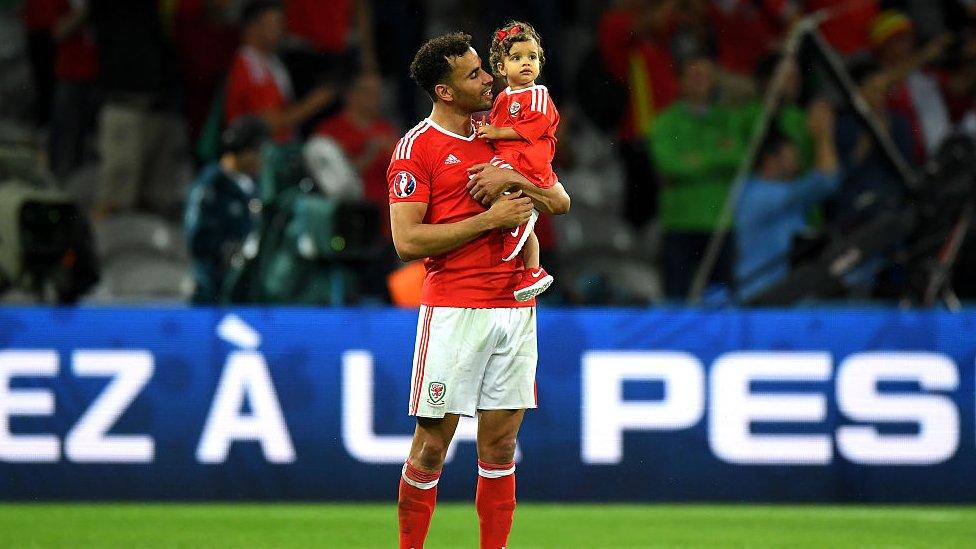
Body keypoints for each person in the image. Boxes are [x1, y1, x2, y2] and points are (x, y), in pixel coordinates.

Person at [388, 32, 570, 549]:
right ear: (444, 92)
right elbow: (406, 241)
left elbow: (559, 199)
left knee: (501, 446)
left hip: (516, 307)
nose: (490, 77)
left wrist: (520, 184)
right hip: (454, 310)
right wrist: (489, 218)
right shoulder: (416, 149)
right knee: (430, 448)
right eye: (474, 74)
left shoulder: (503, 131)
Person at [476, 20, 558, 302]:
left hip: (530, 161)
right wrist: (486, 133)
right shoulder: (502, 98)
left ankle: (514, 225)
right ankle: (532, 270)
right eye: (517, 57)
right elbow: (496, 128)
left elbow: (532, 129)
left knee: (492, 175)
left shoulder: (538, 95)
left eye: (532, 57)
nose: (526, 63)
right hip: (512, 158)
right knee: (488, 178)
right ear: (501, 68)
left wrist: (495, 132)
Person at [651, 54, 742, 298]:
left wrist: (693, 161)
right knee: (677, 298)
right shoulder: (665, 122)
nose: (700, 82)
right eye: (694, 75)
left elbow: (738, 158)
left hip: (719, 222)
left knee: (722, 300)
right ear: (680, 81)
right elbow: (667, 164)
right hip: (680, 222)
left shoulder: (728, 120)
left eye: (706, 76)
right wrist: (715, 158)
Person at [735, 100, 841, 300]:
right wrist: (822, 135)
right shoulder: (761, 194)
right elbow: (826, 181)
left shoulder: (759, 189)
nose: (797, 162)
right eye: (791, 156)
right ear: (770, 160)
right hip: (762, 294)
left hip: (779, 292)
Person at [184, 115, 270, 304]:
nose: (262, 159)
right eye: (258, 151)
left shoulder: (256, 186)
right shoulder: (211, 186)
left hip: (245, 287)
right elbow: (197, 239)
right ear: (245, 151)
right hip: (213, 289)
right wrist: (229, 250)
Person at [224, 0, 335, 143]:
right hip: (258, 155)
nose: (280, 30)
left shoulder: (272, 61)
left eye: (280, 24)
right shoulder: (248, 68)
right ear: (252, 27)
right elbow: (268, 124)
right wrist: (315, 102)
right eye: (273, 24)